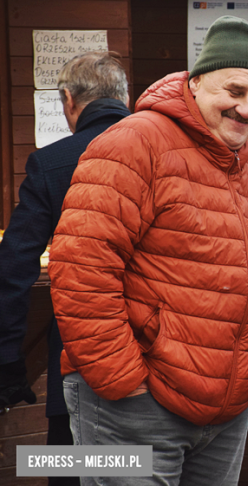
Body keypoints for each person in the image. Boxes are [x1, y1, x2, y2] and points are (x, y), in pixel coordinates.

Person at [49, 16, 248, 485]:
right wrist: (122, 380)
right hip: (132, 404)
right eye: (235, 91)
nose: (247, 109)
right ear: (197, 81)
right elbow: (82, 266)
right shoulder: (134, 142)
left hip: (226, 413)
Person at [0, 51, 130, 486]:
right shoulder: (168, 154)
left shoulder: (51, 163)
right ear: (125, 99)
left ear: (68, 102)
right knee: (147, 471)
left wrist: (7, 362)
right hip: (164, 369)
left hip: (78, 368)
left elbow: (14, 268)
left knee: (70, 471)